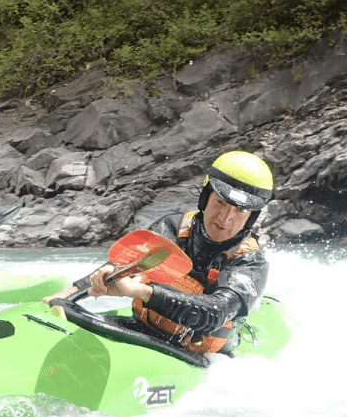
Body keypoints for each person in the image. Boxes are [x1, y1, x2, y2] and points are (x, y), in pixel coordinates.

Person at [52, 150, 275, 356]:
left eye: (240, 211)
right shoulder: (171, 228)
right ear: (206, 197)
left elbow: (216, 313)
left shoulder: (249, 264)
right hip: (143, 329)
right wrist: (70, 293)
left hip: (204, 356)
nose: (225, 219)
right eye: (220, 203)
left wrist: (144, 292)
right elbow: (123, 264)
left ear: (251, 217)